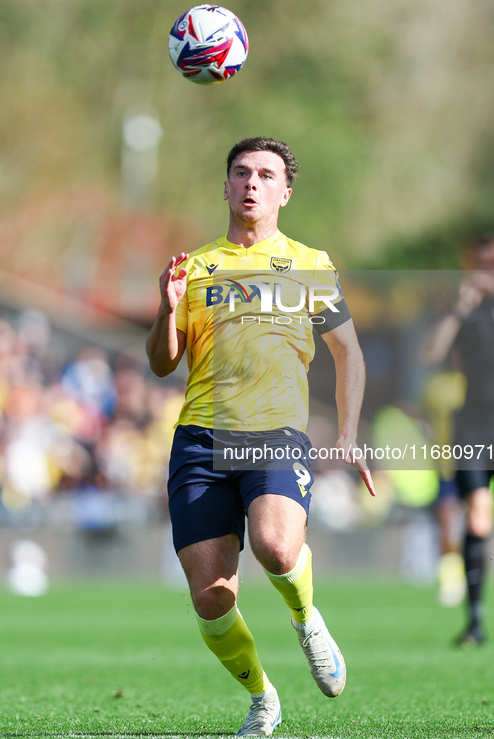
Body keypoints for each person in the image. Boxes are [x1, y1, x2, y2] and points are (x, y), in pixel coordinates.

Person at [146, 137, 375, 736]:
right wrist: (167, 311)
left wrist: (348, 430)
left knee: (276, 547)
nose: (252, 183)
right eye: (242, 173)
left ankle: (307, 622)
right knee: (212, 596)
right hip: (200, 439)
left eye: (266, 175)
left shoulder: (308, 263)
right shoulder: (193, 267)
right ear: (224, 186)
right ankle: (263, 697)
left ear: (285, 193)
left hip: (274, 432)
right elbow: (163, 363)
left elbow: (347, 352)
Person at [423, 236, 494, 646]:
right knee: (478, 517)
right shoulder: (466, 312)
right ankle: (475, 623)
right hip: (474, 428)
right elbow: (430, 352)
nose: (491, 267)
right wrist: (460, 308)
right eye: (484, 261)